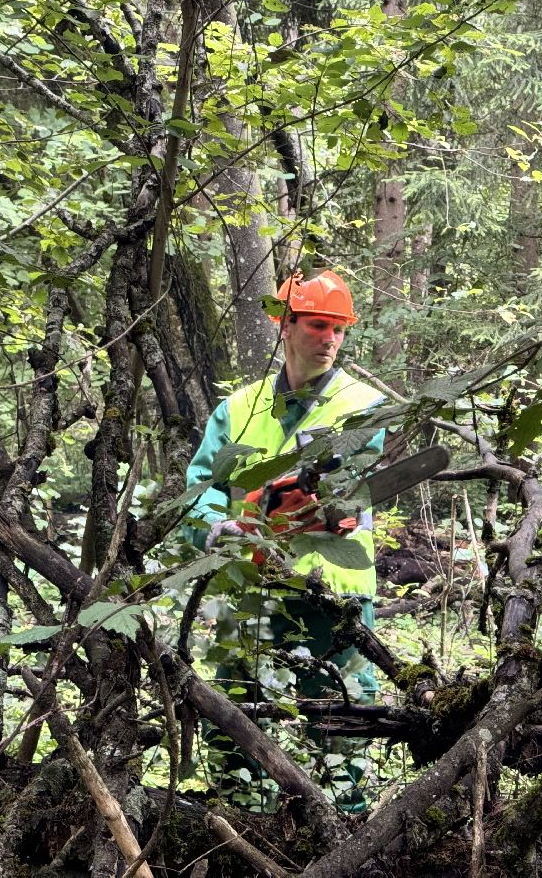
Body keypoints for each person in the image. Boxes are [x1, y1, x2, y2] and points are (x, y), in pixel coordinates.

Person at [185, 268, 385, 806]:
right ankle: (240, 822)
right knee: (235, 714)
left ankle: (344, 830)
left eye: (339, 329)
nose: (329, 340)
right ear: (286, 326)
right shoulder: (237, 408)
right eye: (318, 325)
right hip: (248, 582)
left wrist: (313, 499)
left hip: (334, 586)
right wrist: (216, 527)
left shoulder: (364, 405)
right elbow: (201, 488)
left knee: (342, 721)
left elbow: (360, 478)